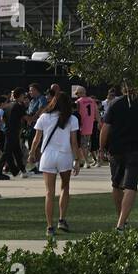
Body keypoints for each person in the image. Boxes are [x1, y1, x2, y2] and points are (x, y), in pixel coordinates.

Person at [28, 88, 82, 238]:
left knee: (49, 192)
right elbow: (74, 142)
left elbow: (36, 139)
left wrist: (32, 153)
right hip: (65, 156)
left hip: (47, 156)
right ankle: (61, 219)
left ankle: (49, 226)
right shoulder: (72, 119)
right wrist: (77, 160)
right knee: (65, 187)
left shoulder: (44, 117)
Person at [100, 84, 138, 229]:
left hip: (116, 149)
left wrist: (101, 148)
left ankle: (121, 217)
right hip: (136, 149)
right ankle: (121, 222)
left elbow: (105, 128)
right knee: (131, 186)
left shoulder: (114, 103)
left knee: (116, 184)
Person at [3, 88, 29, 177]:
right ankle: (7, 169)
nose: (24, 97)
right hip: (14, 131)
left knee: (16, 151)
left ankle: (21, 170)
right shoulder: (19, 106)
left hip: (8, 130)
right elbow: (27, 118)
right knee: (8, 152)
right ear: (20, 96)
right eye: (23, 96)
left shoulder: (7, 106)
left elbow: (4, 119)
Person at [74, 86, 101, 168]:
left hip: (81, 125)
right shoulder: (92, 101)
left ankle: (86, 161)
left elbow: (76, 114)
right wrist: (99, 122)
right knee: (88, 144)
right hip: (91, 125)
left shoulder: (78, 102)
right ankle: (85, 160)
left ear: (80, 93)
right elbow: (96, 112)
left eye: (77, 93)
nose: (76, 95)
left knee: (83, 145)